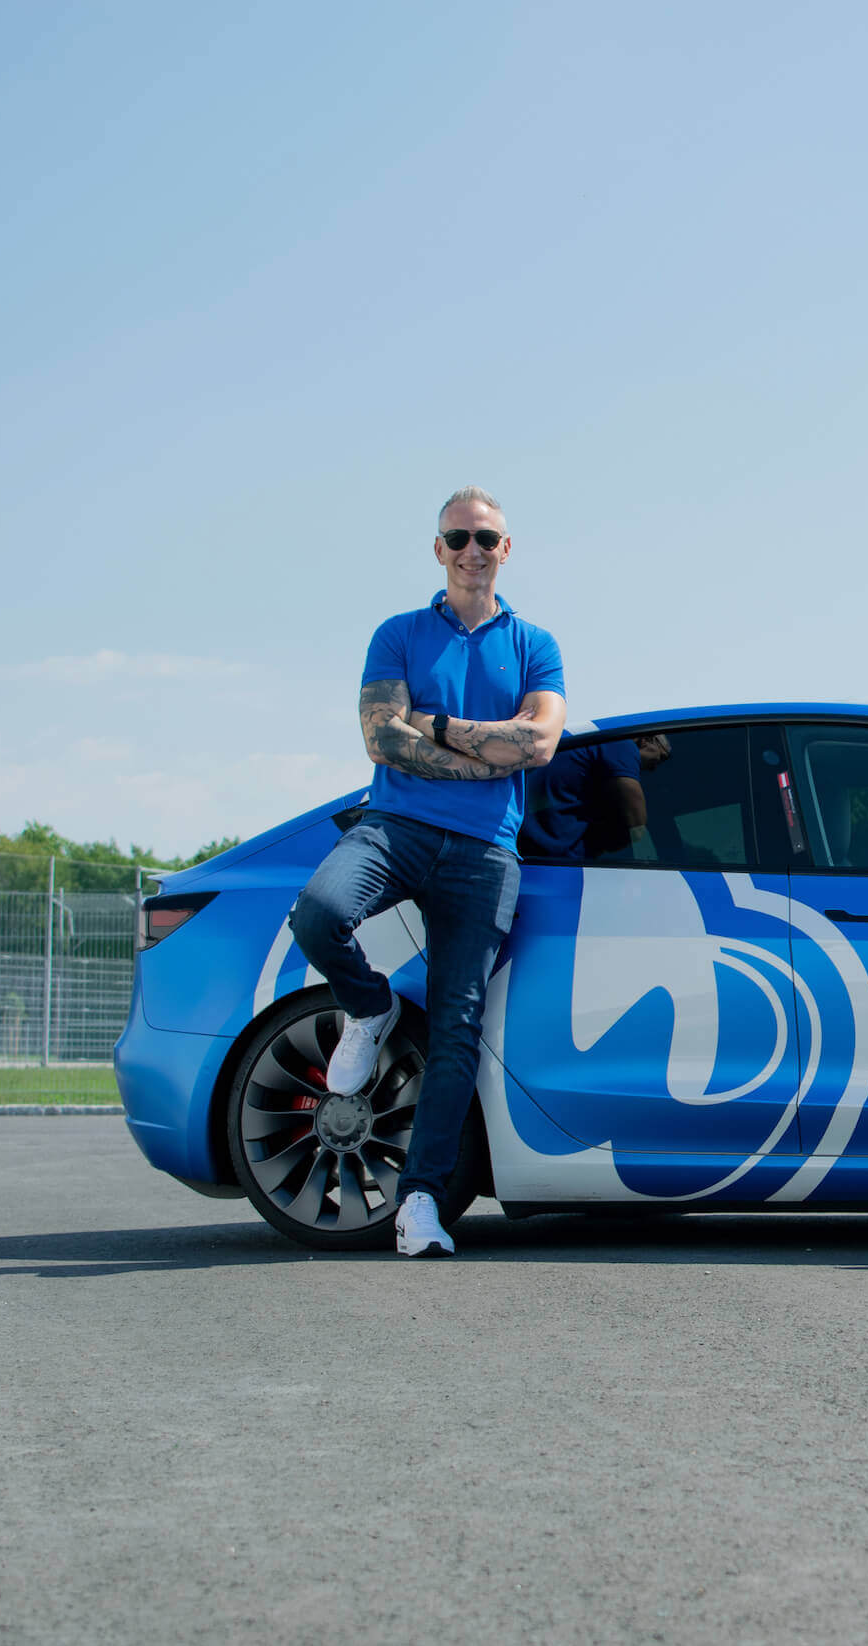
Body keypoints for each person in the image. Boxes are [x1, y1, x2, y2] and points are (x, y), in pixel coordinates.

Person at [287, 486, 565, 1257]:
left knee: (457, 1032)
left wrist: (436, 725)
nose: (473, 550)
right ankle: (369, 1007)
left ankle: (419, 1203)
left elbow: (539, 745)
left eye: (487, 538)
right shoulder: (399, 633)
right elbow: (382, 739)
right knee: (318, 910)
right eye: (458, 537)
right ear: (438, 549)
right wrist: (484, 752)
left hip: (484, 856)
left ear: (507, 549)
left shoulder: (535, 643)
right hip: (396, 828)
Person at [522, 731, 670, 861]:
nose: (654, 769)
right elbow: (636, 825)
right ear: (646, 740)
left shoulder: (593, 748)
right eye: (661, 756)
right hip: (556, 860)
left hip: (526, 848)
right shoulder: (621, 745)